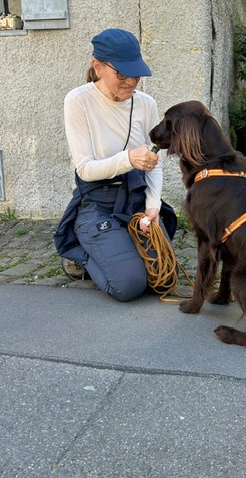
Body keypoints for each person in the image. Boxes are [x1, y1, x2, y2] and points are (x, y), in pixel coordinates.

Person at [54, 28, 177, 301]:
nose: (131, 82)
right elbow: (85, 169)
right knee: (130, 285)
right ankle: (81, 253)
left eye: (136, 74)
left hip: (136, 199)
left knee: (164, 280)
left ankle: (119, 248)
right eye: (122, 74)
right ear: (97, 66)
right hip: (98, 204)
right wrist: (129, 159)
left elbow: (153, 163)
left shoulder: (146, 104)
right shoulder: (78, 101)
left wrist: (153, 207)